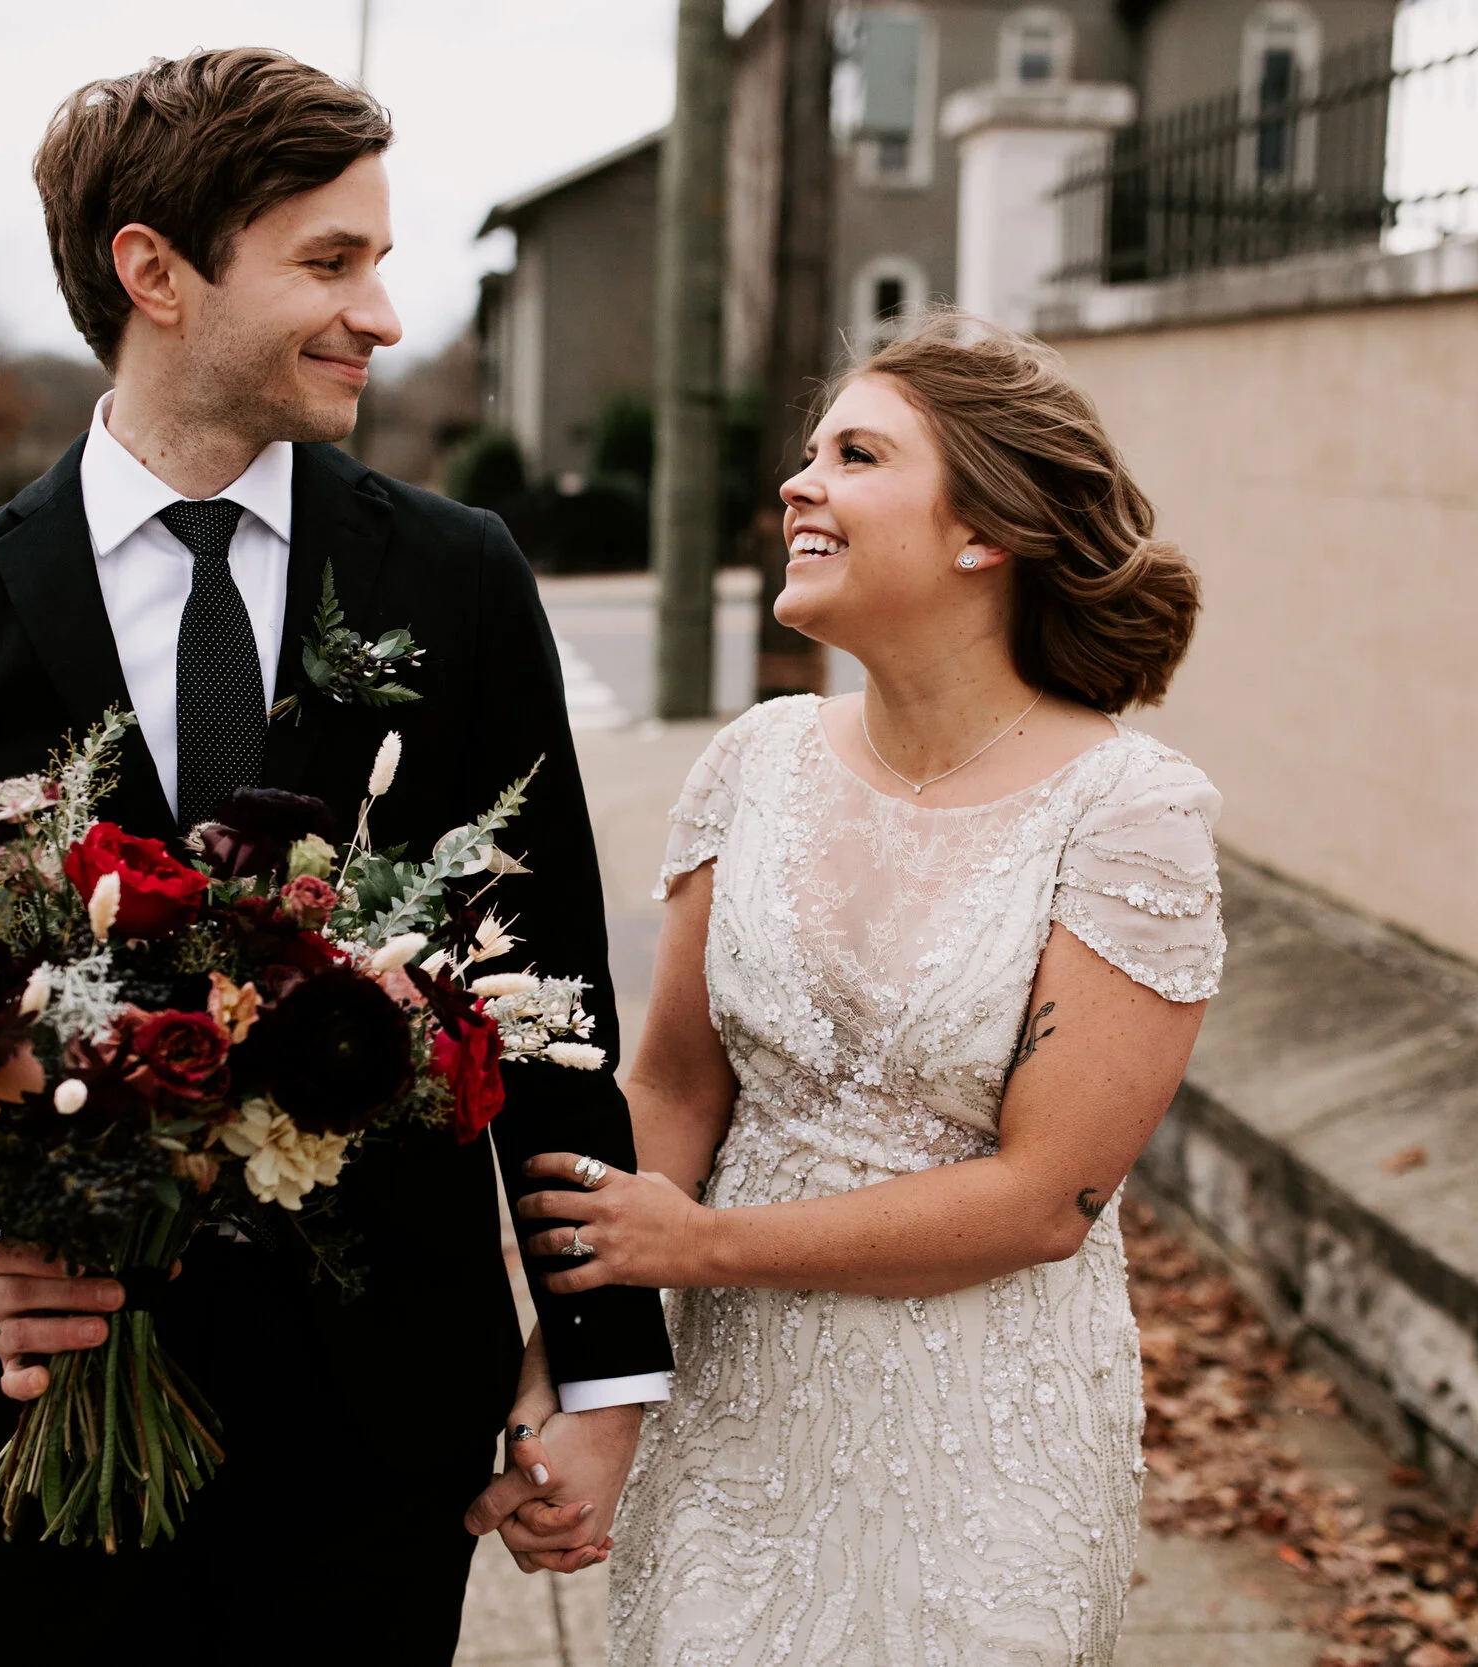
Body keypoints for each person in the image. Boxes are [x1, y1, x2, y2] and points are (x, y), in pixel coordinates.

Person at [0, 49, 669, 1662]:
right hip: (60, 1427)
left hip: (383, 1421)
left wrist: (602, 1371)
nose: (384, 314)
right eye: (330, 262)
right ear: (154, 270)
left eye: (379, 261)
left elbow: (553, 996)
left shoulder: (460, 579)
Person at [487, 313, 1222, 1665]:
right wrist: (579, 1364)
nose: (798, 484)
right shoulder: (756, 761)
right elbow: (673, 1086)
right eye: (810, 452)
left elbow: (1044, 1196)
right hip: (736, 1422)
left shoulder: (1126, 814)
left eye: (858, 454)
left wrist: (698, 1248)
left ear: (983, 529)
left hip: (982, 1441)